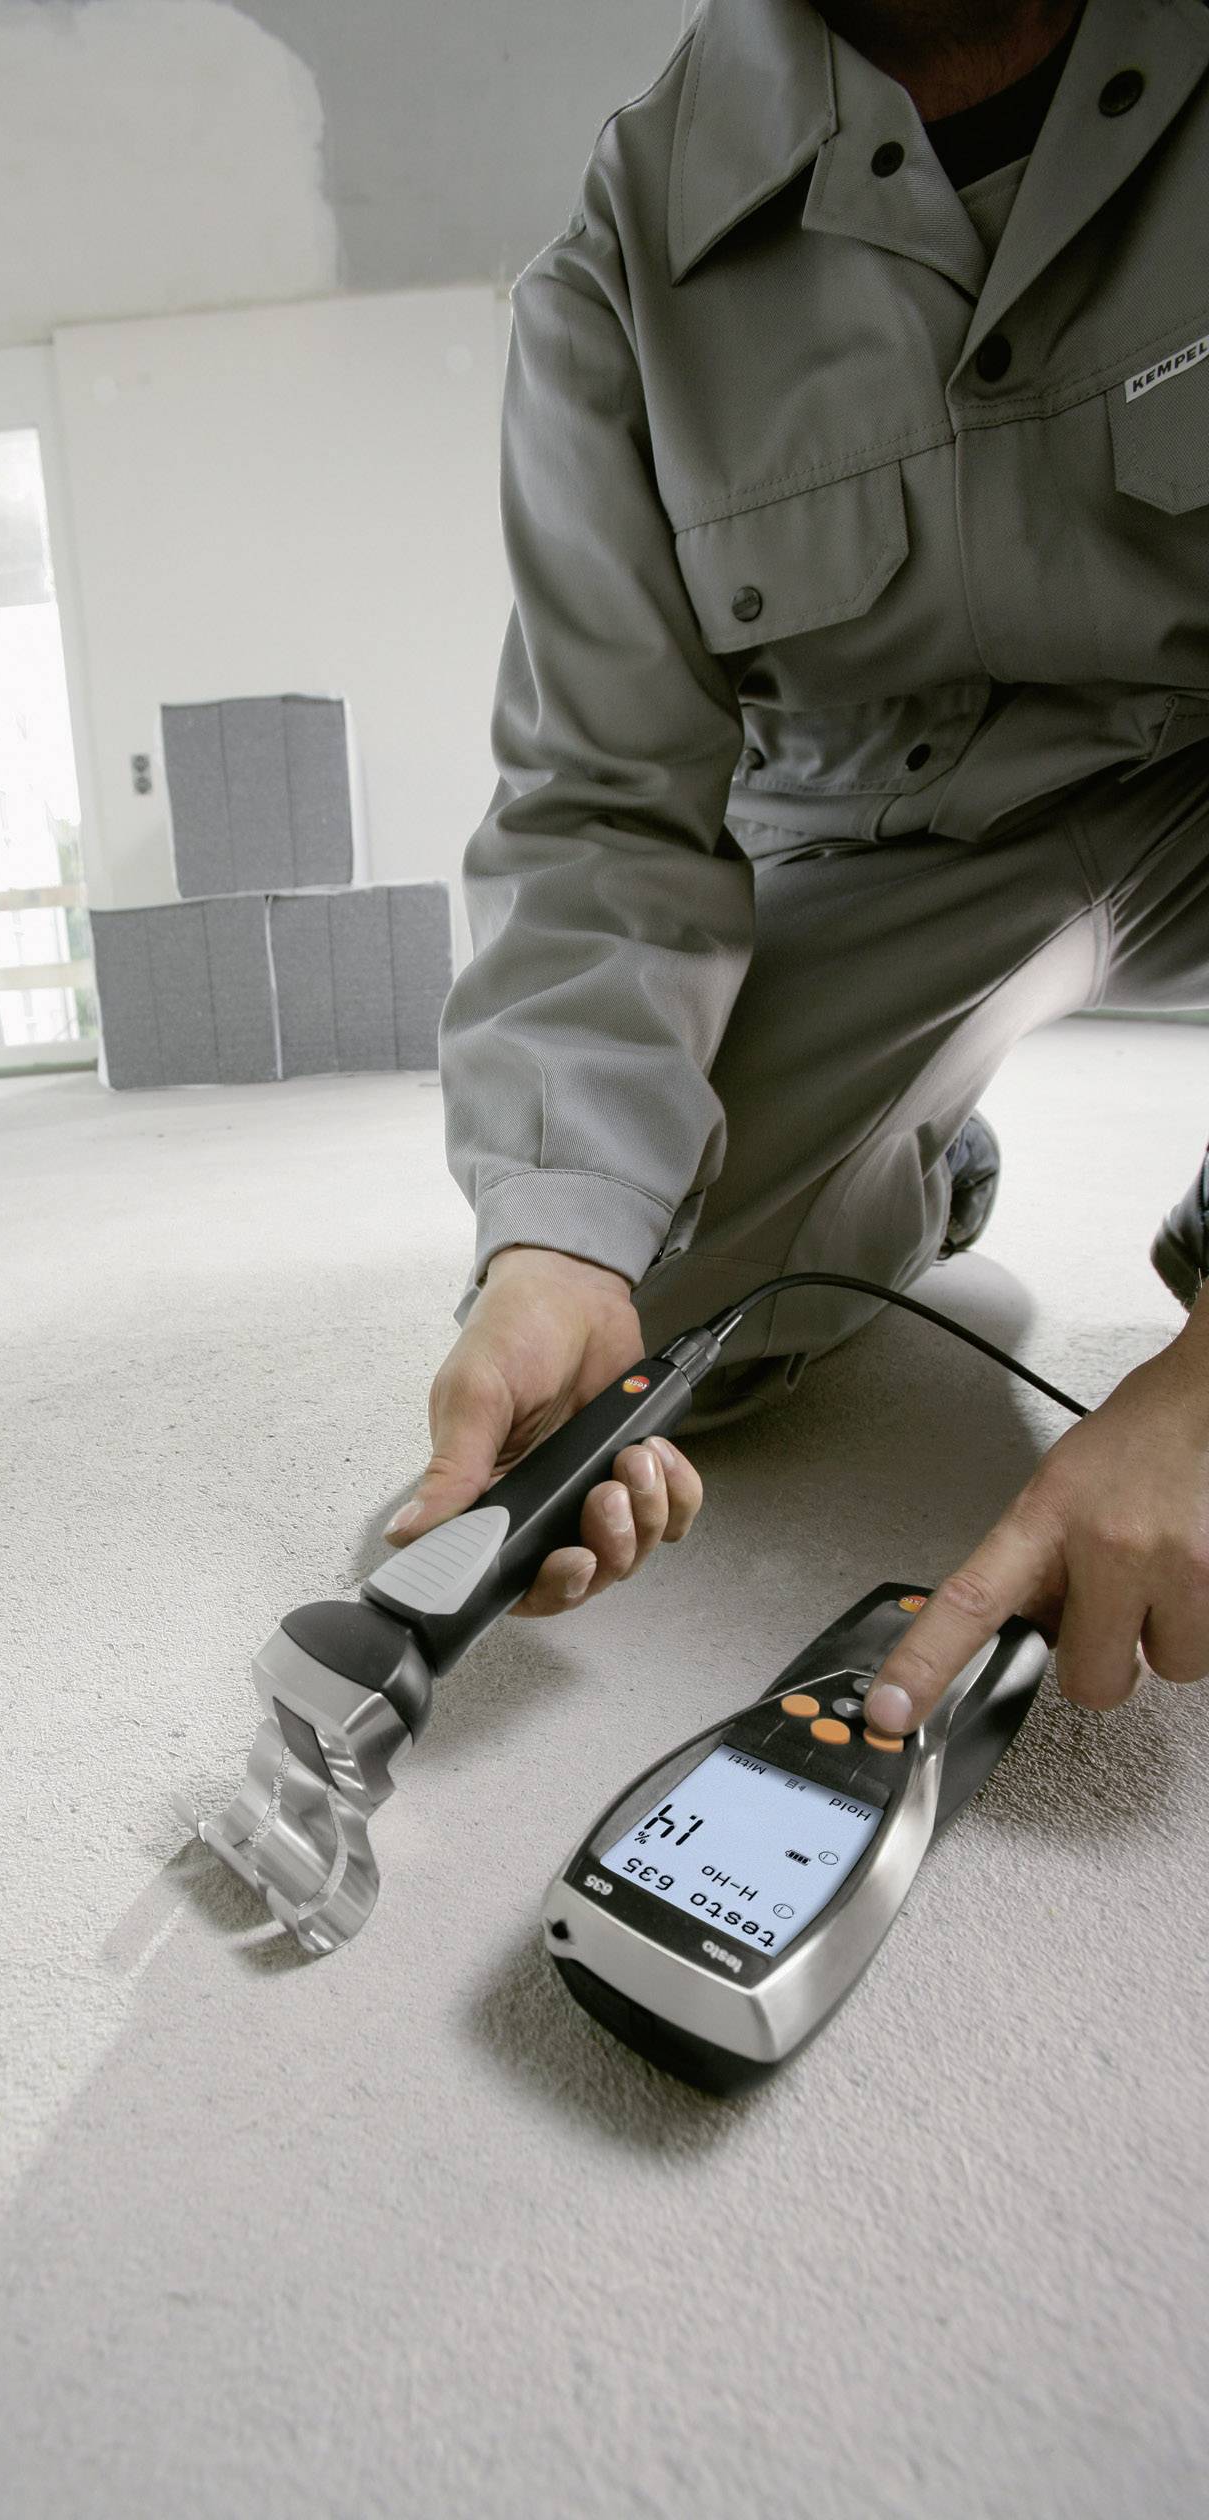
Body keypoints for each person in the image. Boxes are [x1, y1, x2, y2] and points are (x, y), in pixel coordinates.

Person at [384, 0, 1209, 1733]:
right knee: (640, 1345)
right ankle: (920, 1171)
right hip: (890, 840)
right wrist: (558, 1238)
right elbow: (605, 801)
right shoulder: (626, 250)